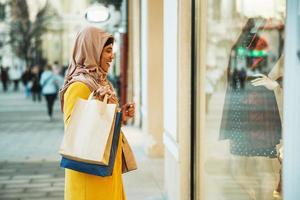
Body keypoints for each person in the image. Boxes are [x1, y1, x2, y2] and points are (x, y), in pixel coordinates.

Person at [59, 26, 135, 200]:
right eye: (107, 51)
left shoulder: (99, 82)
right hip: (89, 175)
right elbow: (74, 133)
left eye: (112, 50)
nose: (112, 56)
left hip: (105, 166)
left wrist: (120, 117)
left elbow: (102, 124)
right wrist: (95, 105)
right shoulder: (79, 86)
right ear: (92, 51)